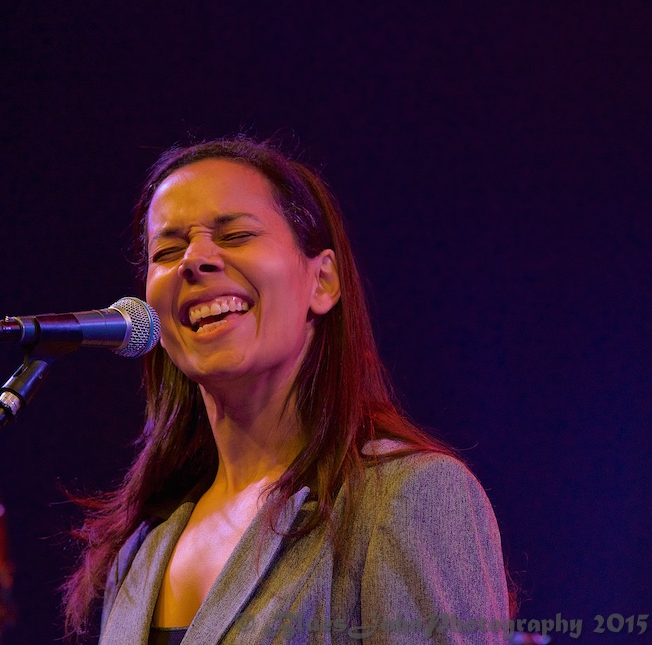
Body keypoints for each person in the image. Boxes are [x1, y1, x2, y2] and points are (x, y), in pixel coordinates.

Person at [62, 136, 510, 644]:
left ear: (322, 282)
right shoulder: (139, 553)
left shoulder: (404, 497)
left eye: (234, 236)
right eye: (168, 249)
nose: (194, 260)